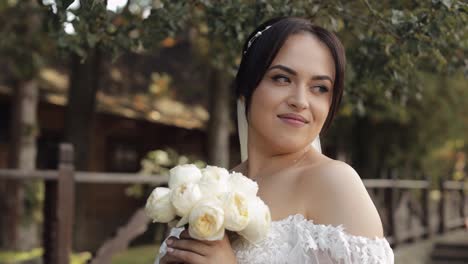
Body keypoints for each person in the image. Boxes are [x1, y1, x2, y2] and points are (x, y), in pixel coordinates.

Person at [156, 16, 394, 264]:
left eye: (320, 88)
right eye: (282, 78)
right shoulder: (214, 189)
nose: (300, 101)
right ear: (246, 88)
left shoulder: (334, 182)